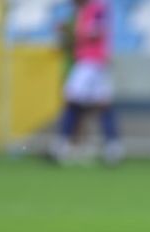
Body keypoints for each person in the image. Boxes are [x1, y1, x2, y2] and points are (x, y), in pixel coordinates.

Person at [51, 0, 123, 165]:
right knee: (101, 104)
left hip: (91, 62)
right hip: (90, 62)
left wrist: (71, 31)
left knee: (74, 101)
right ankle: (113, 148)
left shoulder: (98, 8)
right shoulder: (81, 11)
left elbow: (96, 31)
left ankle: (61, 147)